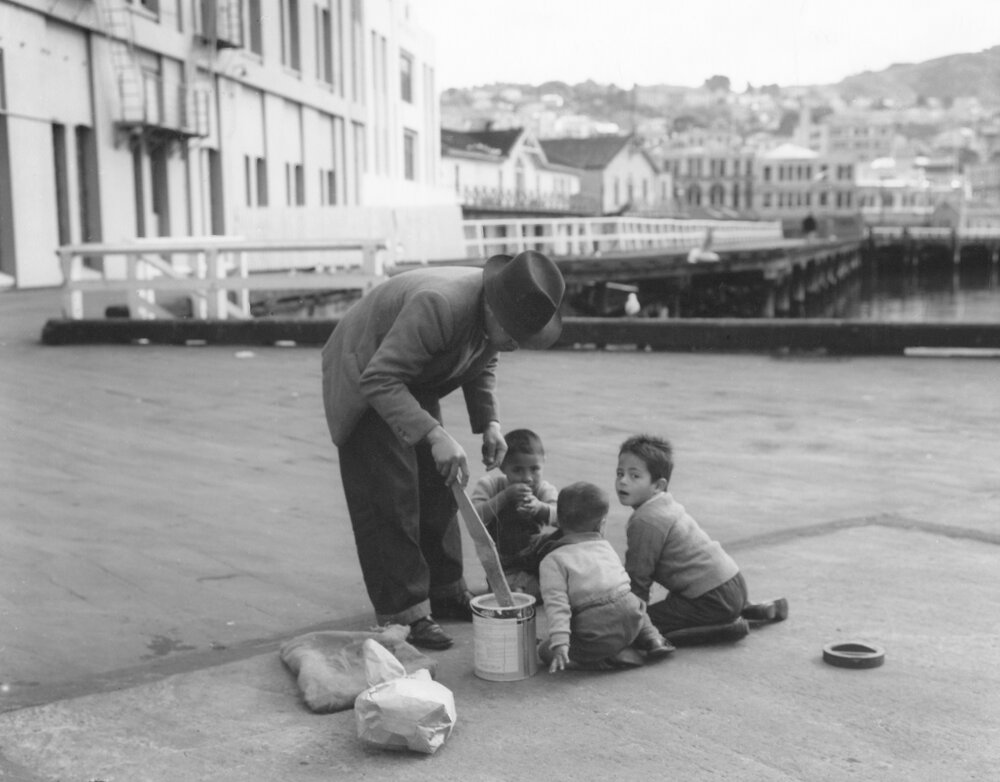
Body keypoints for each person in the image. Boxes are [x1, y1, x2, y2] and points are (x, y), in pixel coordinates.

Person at [321, 250, 565, 651]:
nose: (516, 346)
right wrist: (435, 435)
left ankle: (445, 589)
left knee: (441, 482)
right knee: (391, 494)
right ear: (491, 306)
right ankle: (405, 613)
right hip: (368, 371)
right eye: (514, 335)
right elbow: (380, 379)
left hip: (411, 375)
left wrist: (490, 423)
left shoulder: (498, 311)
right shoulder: (438, 304)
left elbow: (484, 359)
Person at [617, 434, 788, 646]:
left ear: (658, 485)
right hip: (731, 583)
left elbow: (638, 578)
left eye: (634, 476)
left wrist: (632, 622)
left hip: (712, 598)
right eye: (620, 473)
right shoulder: (664, 504)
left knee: (646, 627)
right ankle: (751, 610)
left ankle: (727, 628)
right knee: (674, 609)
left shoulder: (646, 520)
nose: (623, 481)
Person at [538, 482, 675, 673]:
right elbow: (621, 585)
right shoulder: (605, 546)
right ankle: (653, 638)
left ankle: (606, 660)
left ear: (558, 521)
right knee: (633, 601)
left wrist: (560, 643)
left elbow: (557, 606)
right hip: (631, 619)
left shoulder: (552, 561)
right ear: (601, 524)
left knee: (544, 651)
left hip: (596, 632)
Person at [470, 428, 559, 600]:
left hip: (534, 554)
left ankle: (526, 587)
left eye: (534, 469)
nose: (527, 477)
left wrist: (540, 508)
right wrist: (505, 496)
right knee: (510, 592)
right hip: (501, 559)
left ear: (544, 462)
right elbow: (474, 519)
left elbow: (563, 519)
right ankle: (520, 589)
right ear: (502, 466)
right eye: (517, 470)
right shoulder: (490, 485)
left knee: (569, 534)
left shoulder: (543, 489)